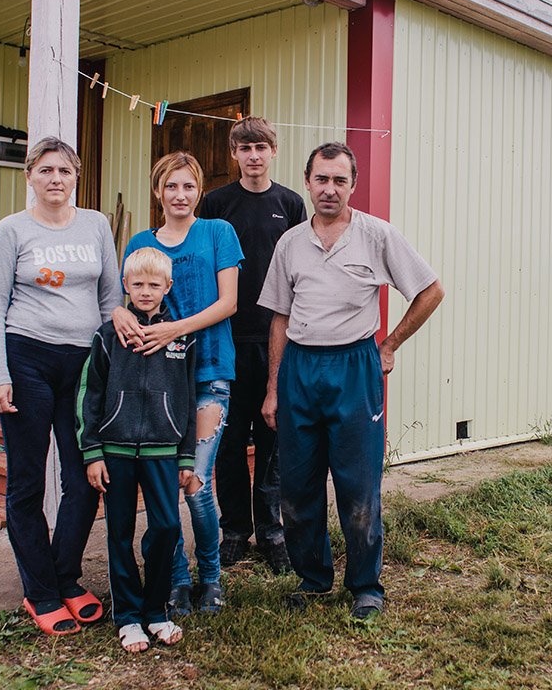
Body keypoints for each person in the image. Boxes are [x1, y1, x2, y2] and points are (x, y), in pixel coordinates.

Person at [260, 142, 445, 622]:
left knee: (358, 485)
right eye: (321, 179)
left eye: (339, 180)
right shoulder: (290, 243)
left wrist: (390, 345)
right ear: (307, 181)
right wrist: (274, 387)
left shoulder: (377, 236)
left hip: (355, 366)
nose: (329, 189)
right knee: (297, 488)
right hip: (300, 367)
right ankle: (313, 578)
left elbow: (430, 290)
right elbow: (279, 317)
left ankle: (366, 585)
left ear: (352, 185)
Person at [0, 136, 122, 636]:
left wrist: (115, 366)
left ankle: (65, 576)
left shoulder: (97, 224)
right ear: (30, 176)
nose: (55, 179)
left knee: (86, 476)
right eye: (45, 170)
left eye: (64, 170)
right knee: (27, 481)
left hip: (83, 365)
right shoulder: (12, 230)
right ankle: (38, 591)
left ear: (76, 175)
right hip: (27, 359)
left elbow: (111, 298)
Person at [115, 151, 243, 618]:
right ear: (158, 192)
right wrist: (117, 311)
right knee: (163, 488)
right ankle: (177, 579)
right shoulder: (140, 242)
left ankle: (211, 576)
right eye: (171, 186)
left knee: (196, 483)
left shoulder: (218, 234)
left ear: (199, 191)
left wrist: (175, 328)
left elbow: (229, 303)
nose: (180, 195)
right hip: (156, 383)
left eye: (188, 186)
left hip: (209, 373)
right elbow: (124, 301)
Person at [198, 117, 306, 574]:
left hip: (277, 338)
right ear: (234, 155)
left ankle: (273, 532)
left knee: (273, 439)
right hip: (226, 339)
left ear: (273, 151)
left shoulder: (291, 203)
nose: (254, 155)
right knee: (227, 441)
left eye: (261, 146)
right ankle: (235, 531)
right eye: (245, 148)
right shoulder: (216, 204)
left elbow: (306, 267)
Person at [77, 247, 195, 651]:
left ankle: (156, 609)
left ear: (168, 287)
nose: (145, 292)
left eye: (154, 284)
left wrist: (187, 455)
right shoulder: (108, 335)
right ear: (126, 285)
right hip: (116, 451)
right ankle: (128, 616)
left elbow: (187, 398)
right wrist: (92, 451)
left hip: (164, 450)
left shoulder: (180, 337)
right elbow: (90, 396)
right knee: (118, 532)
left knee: (166, 527)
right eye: (138, 284)